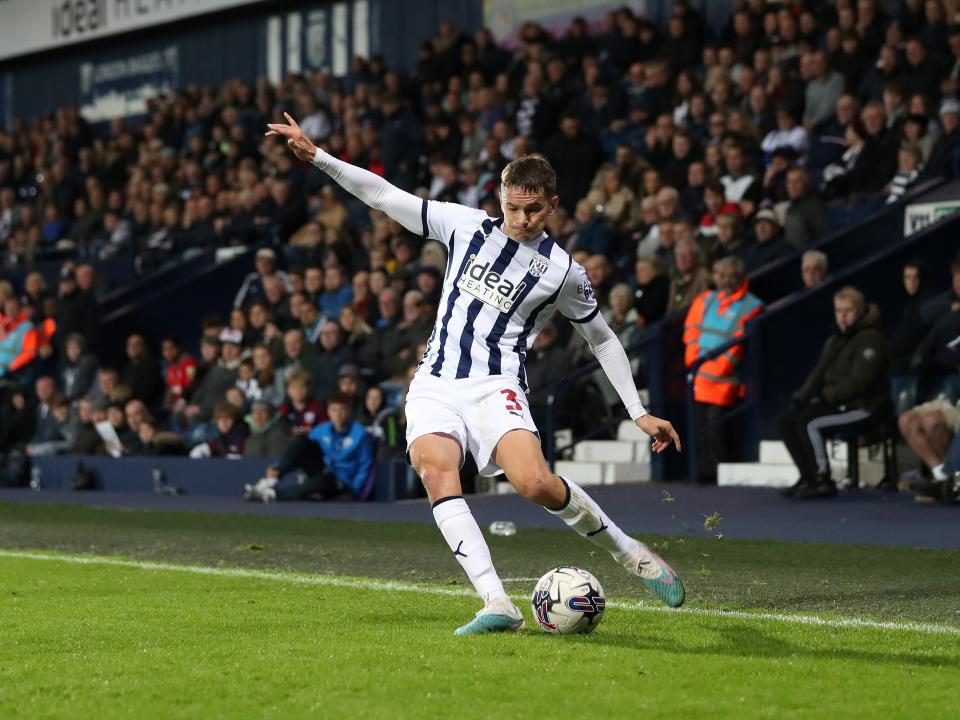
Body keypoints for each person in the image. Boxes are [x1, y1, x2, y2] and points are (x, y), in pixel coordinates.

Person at [267, 113, 684, 635]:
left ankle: (632, 555)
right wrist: (320, 157)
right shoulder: (464, 225)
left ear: (552, 206)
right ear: (500, 198)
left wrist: (639, 411)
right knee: (433, 467)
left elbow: (600, 336)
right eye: (512, 207)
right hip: (436, 381)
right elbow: (383, 195)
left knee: (534, 482)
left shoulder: (563, 272)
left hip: (497, 384)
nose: (522, 218)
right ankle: (497, 602)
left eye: (533, 210)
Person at [779, 287, 890, 499]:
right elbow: (818, 373)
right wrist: (801, 397)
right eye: (839, 311)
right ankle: (808, 476)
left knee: (810, 422)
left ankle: (823, 479)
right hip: (839, 404)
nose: (843, 316)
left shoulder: (871, 338)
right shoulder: (835, 340)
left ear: (860, 311)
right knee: (786, 419)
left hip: (866, 407)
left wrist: (826, 397)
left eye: (848, 310)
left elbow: (860, 382)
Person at [683, 257, 763, 483]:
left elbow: (736, 345)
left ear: (740, 278)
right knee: (700, 428)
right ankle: (703, 472)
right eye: (722, 275)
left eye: (731, 276)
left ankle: (719, 474)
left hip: (725, 379)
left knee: (717, 428)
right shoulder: (706, 299)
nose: (726, 280)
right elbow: (691, 330)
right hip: (699, 375)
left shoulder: (751, 306)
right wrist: (695, 363)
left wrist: (712, 368)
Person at [245, 391, 375, 502]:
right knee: (303, 441)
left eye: (342, 410)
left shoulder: (360, 434)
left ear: (349, 411)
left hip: (341, 481)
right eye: (334, 410)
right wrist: (278, 466)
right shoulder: (321, 429)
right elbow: (300, 451)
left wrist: (355, 491)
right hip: (322, 470)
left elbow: (365, 464)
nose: (338, 415)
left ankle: (272, 495)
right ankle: (272, 479)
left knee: (316, 483)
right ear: (328, 411)